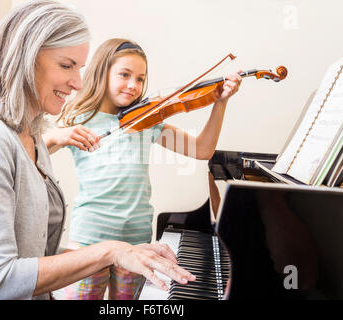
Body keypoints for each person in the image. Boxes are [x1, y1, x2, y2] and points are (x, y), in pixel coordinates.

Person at [0, 0, 195, 300]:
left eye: (79, 68)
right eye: (66, 66)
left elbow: (32, 253)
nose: (78, 83)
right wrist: (109, 251)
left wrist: (128, 251)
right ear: (24, 60)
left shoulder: (32, 135)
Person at [43, 38, 242, 300]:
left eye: (140, 79)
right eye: (125, 75)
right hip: (89, 242)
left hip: (136, 243)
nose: (133, 85)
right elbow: (31, 153)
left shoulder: (147, 120)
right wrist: (58, 136)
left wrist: (220, 103)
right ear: (102, 72)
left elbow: (202, 149)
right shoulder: (77, 118)